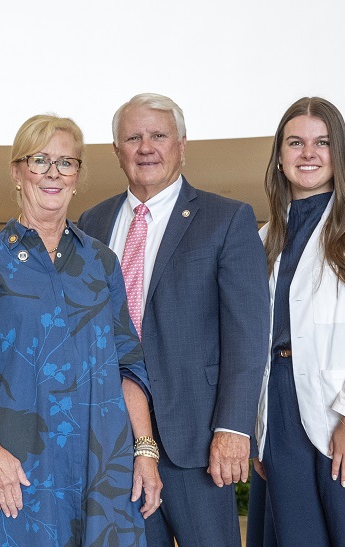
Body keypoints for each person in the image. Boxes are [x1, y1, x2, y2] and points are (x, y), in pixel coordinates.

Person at [0, 114, 163, 546]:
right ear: (16, 171)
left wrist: (144, 450)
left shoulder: (101, 262)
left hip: (100, 462)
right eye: (40, 160)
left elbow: (129, 364)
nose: (53, 173)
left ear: (77, 177)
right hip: (17, 463)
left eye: (66, 162)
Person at [77, 93, 271, 547]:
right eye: (133, 137)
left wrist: (233, 428)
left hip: (197, 442)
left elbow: (247, 336)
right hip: (112, 437)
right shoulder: (92, 222)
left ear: (182, 144)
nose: (146, 147)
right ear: (117, 152)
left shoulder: (227, 219)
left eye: (158, 135)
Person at [245, 97, 345, 546]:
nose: (308, 153)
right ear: (279, 156)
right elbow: (253, 339)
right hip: (279, 404)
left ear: (340, 155)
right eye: (295, 143)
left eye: (322, 142)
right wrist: (261, 431)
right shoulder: (262, 238)